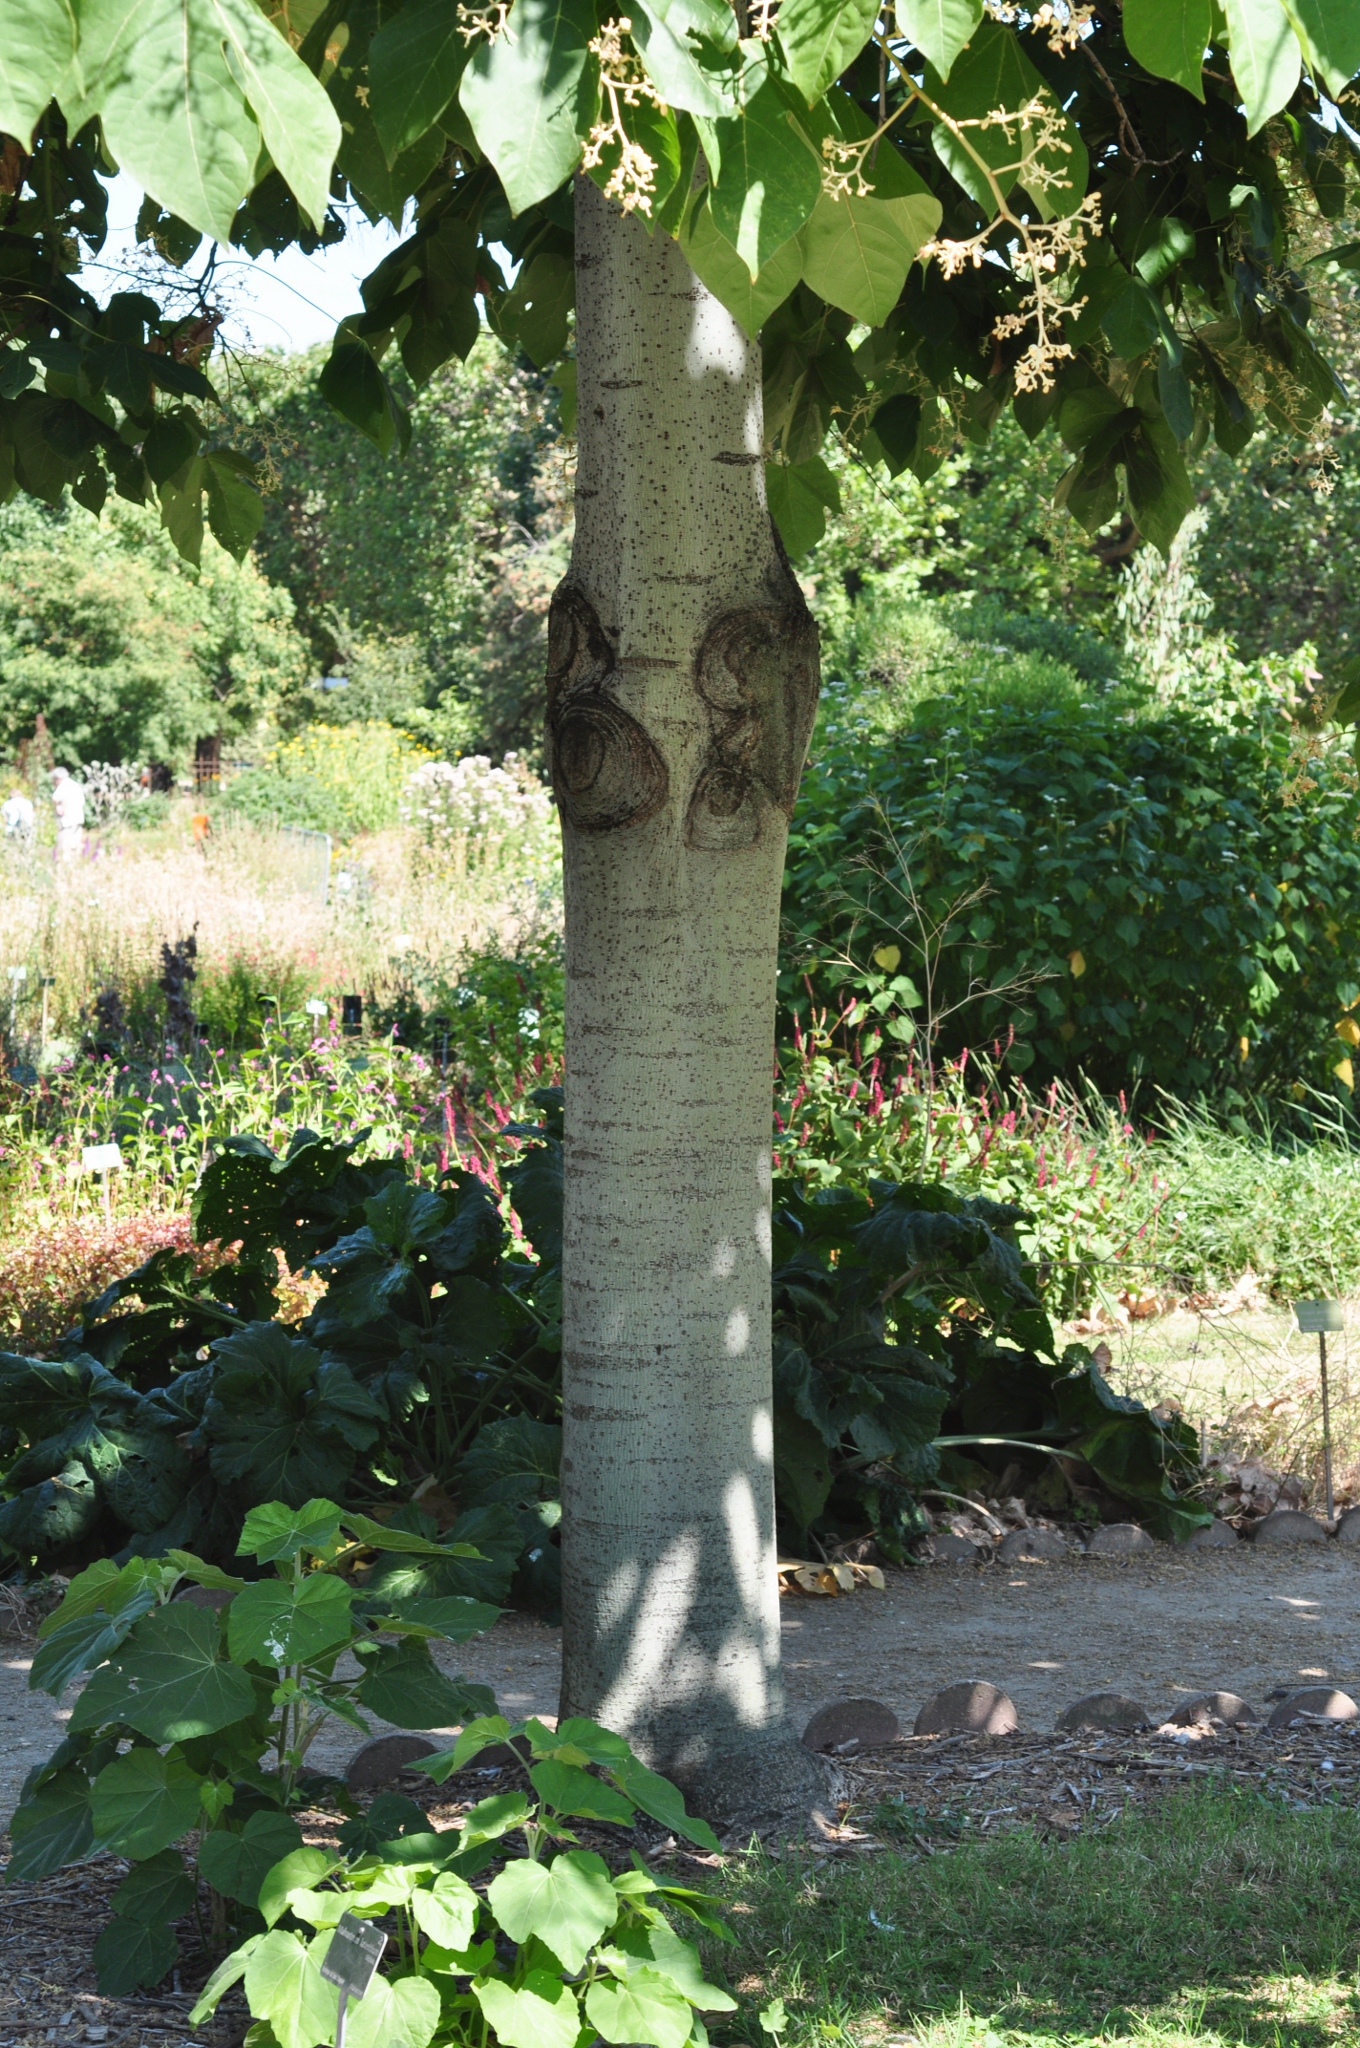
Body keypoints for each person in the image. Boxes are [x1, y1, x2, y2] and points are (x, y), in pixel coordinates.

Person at [50, 765, 86, 858]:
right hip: (78, 818)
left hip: (66, 820)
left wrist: (58, 805)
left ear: (58, 778)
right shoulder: (74, 784)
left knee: (65, 846)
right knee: (75, 844)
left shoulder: (63, 785)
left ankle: (64, 865)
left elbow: (55, 797)